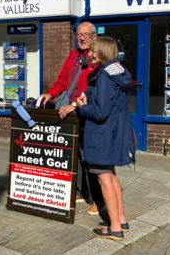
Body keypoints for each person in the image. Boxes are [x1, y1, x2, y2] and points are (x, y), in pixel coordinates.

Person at [38, 21, 104, 215]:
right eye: (79, 34)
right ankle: (80, 192)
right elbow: (62, 82)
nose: (81, 37)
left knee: (91, 158)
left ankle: (98, 199)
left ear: (94, 37)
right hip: (71, 113)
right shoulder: (74, 56)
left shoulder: (98, 58)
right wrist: (50, 94)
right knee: (74, 154)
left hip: (89, 112)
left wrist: (75, 105)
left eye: (86, 34)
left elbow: (94, 91)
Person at [76, 36, 136, 241]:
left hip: (103, 135)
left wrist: (83, 106)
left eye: (93, 51)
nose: (90, 55)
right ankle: (121, 219)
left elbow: (100, 113)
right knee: (111, 175)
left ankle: (115, 228)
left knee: (104, 179)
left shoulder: (104, 76)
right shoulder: (119, 71)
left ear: (102, 52)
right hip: (116, 132)